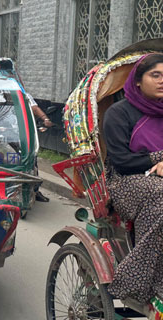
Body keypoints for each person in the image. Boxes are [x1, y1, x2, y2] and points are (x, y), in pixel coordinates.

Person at [103, 53, 163, 306]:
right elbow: (122, 162)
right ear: (138, 80)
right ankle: (139, 278)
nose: (162, 81)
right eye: (156, 75)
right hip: (128, 181)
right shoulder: (119, 113)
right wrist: (158, 160)